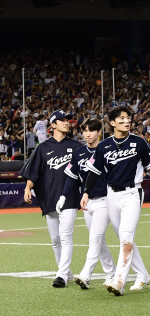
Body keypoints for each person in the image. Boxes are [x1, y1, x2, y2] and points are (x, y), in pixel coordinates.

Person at [83, 105, 150, 296]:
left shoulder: (139, 142)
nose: (126, 121)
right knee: (124, 238)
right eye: (121, 119)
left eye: (128, 118)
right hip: (111, 195)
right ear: (112, 123)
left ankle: (119, 281)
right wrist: (86, 192)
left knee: (127, 235)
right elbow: (94, 172)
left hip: (132, 193)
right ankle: (143, 274)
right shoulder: (104, 146)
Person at [20, 110, 82, 288]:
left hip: (69, 198)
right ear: (52, 125)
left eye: (67, 120)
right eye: (61, 120)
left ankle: (61, 275)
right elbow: (33, 172)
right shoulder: (43, 147)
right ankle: (66, 272)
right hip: (49, 198)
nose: (66, 122)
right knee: (55, 238)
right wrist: (27, 188)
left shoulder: (76, 146)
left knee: (65, 236)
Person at [59, 118, 115, 289]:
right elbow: (72, 177)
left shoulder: (107, 149)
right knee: (100, 240)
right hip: (87, 202)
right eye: (85, 131)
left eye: (91, 130)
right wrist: (63, 196)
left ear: (99, 132)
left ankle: (86, 275)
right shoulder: (79, 152)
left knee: (95, 238)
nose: (88, 134)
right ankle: (111, 272)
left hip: (105, 199)